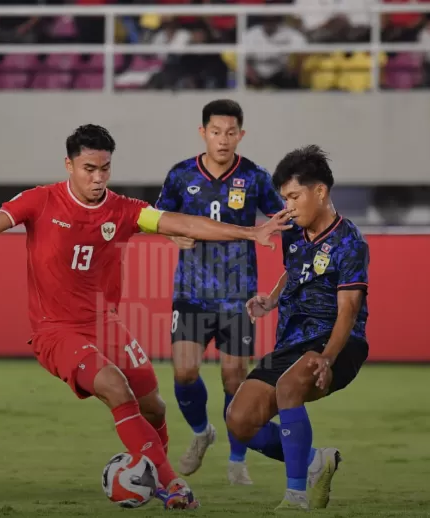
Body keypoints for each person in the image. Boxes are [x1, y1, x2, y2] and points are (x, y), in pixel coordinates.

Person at [0, 124, 293, 510]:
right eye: (89, 168)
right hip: (56, 332)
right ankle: (172, 486)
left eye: (105, 168)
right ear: (68, 165)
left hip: (107, 326)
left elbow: (182, 223)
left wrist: (248, 233)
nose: (98, 177)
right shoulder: (40, 201)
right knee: (116, 387)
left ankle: (151, 474)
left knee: (154, 406)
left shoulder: (123, 209)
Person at [225, 145, 370, 510]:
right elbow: (295, 269)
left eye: (293, 196)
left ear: (319, 192)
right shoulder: (293, 230)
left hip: (338, 341)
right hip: (292, 343)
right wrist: (273, 298)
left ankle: (296, 497)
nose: (287, 205)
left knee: (289, 387)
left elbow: (349, 309)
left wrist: (327, 356)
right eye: (284, 198)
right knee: (239, 421)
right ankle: (314, 462)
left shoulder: (350, 242)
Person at [155, 99, 285, 484]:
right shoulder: (180, 175)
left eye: (231, 133)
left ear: (240, 135)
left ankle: (237, 458)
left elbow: (279, 218)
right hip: (190, 294)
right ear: (203, 133)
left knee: (233, 378)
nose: (223, 140)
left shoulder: (256, 178)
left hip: (237, 297)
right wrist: (173, 233)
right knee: (183, 372)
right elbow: (158, 219)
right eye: (216, 132)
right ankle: (201, 433)